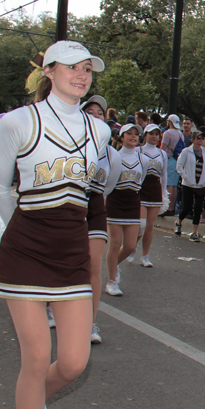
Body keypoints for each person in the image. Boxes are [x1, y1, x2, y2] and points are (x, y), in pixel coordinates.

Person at [0, 40, 110, 409]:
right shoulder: (20, 122)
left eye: (87, 69)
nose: (82, 75)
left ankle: (34, 400)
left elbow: (87, 187)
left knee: (75, 361)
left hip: (71, 249)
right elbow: (0, 188)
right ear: (49, 70)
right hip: (25, 247)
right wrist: (11, 238)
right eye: (72, 67)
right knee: (36, 357)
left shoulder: (99, 130)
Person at [81, 95, 119, 345]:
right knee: (66, 262)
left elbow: (108, 185)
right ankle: (52, 305)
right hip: (68, 204)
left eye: (100, 112)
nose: (96, 115)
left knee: (93, 265)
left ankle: (90, 322)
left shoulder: (112, 154)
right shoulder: (66, 143)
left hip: (94, 205)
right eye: (90, 111)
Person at [104, 124, 148, 297]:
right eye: (128, 133)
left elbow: (141, 179)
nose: (133, 136)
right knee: (115, 244)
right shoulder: (114, 157)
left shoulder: (142, 159)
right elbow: (110, 180)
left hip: (132, 201)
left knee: (129, 246)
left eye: (136, 134)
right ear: (121, 137)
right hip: (116, 200)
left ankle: (114, 266)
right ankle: (111, 281)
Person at [135, 124, 167, 266]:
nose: (154, 136)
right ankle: (131, 247)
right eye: (151, 133)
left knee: (149, 225)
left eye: (156, 133)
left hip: (155, 188)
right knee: (141, 224)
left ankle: (145, 255)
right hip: (141, 187)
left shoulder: (162, 154)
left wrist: (164, 192)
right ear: (145, 135)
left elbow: (164, 174)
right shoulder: (138, 150)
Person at [175, 130, 205, 242]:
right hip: (188, 183)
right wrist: (185, 176)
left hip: (200, 184)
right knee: (186, 207)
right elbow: (179, 165)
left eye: (202, 138)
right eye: (198, 138)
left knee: (198, 208)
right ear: (193, 139)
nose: (200, 140)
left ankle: (194, 232)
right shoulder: (186, 151)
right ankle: (179, 222)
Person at [160, 114, 183, 216]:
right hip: (177, 160)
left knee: (169, 185)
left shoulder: (167, 133)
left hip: (169, 159)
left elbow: (163, 148)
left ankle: (167, 208)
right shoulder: (180, 133)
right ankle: (172, 207)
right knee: (174, 185)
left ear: (170, 122)